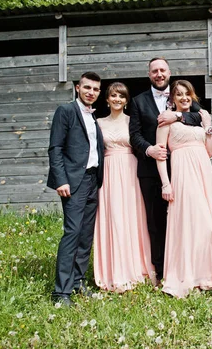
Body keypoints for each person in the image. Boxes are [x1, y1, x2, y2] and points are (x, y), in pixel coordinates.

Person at [129, 57, 202, 282]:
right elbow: (134, 135)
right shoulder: (138, 101)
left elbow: (200, 116)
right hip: (151, 171)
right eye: (154, 71)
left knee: (186, 219)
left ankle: (188, 266)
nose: (159, 74)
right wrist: (149, 150)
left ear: (169, 72)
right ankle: (162, 271)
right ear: (149, 74)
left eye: (162, 70)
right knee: (156, 221)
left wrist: (178, 115)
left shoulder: (182, 94)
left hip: (183, 170)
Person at [156, 80, 212, 297]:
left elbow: (209, 151)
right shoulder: (166, 122)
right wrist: (166, 183)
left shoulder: (199, 119)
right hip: (183, 174)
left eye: (187, 94)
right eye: (178, 94)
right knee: (189, 221)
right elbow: (161, 155)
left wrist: (208, 129)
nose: (183, 98)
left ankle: (208, 272)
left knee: (207, 220)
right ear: (172, 99)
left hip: (203, 172)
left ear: (192, 96)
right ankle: (186, 273)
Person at [47, 72, 105, 307]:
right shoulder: (66, 111)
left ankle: (77, 283)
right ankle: (61, 292)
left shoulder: (93, 117)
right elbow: (55, 148)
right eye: (87, 87)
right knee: (72, 234)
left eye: (95, 89)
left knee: (85, 236)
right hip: (73, 182)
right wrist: (61, 180)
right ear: (78, 87)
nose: (91, 92)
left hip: (93, 180)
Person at [93, 82, 155, 292]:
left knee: (132, 218)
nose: (117, 99)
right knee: (113, 218)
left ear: (127, 101)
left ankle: (136, 267)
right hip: (109, 172)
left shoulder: (131, 121)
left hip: (130, 171)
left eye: (121, 96)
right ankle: (113, 271)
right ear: (107, 99)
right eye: (113, 95)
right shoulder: (98, 123)